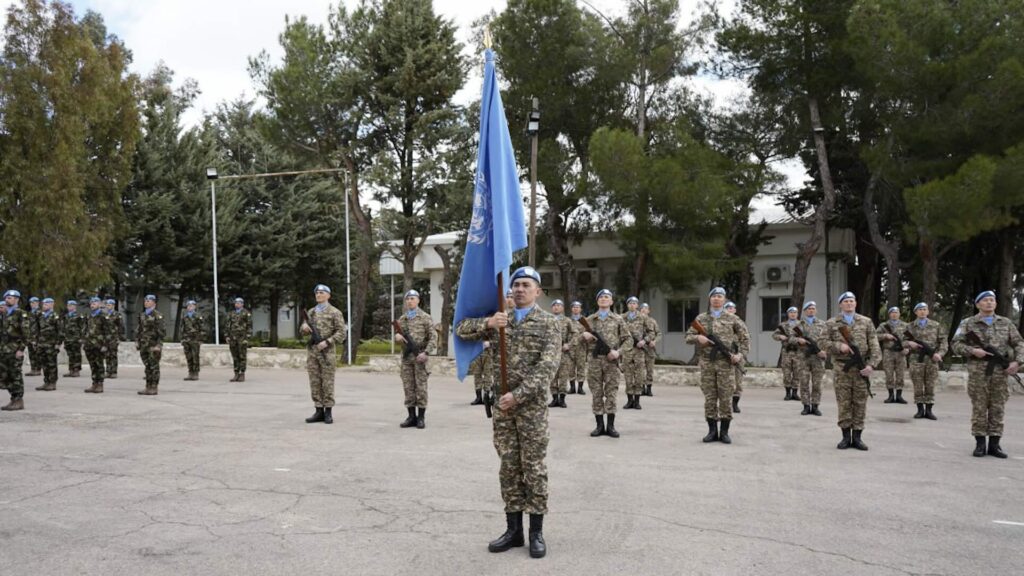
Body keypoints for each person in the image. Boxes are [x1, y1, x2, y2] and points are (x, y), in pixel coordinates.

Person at [455, 266, 560, 559]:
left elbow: (547, 368)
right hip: (503, 408)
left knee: (534, 467)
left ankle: (535, 532)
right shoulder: (501, 319)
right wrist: (489, 322)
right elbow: (460, 329)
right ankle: (513, 530)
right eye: (516, 285)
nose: (520, 289)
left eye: (527, 285)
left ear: (538, 291)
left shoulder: (550, 323)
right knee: (509, 467)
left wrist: (518, 395)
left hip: (531, 409)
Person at [951, 291, 1023, 458]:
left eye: (992, 300)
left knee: (998, 408)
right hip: (978, 373)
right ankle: (980, 444)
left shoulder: (1006, 323)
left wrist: (1017, 362)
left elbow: (1019, 343)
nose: (989, 303)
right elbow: (955, 344)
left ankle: (995, 445)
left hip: (1000, 372)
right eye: (985, 300)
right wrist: (972, 350)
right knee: (979, 408)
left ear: (996, 304)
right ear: (978, 304)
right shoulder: (968, 323)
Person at [686, 287, 749, 444]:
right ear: (709, 299)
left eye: (719, 296)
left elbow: (745, 338)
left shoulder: (733, 318)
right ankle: (712, 431)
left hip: (726, 364)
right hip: (707, 363)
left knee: (726, 397)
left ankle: (725, 432)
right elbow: (688, 336)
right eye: (714, 296)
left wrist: (739, 355)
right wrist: (698, 338)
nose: (716, 299)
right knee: (710, 397)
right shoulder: (701, 318)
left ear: (724, 299)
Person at [826, 292, 882, 451]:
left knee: (860, 404)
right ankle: (845, 437)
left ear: (855, 303)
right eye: (846, 301)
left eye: (852, 301)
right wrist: (839, 346)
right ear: (841, 305)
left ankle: (857, 438)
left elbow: (875, 346)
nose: (849, 304)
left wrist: (871, 365)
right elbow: (822, 342)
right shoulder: (832, 323)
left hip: (861, 369)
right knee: (844, 404)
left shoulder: (866, 322)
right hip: (841, 370)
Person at [581, 289, 631, 438]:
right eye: (601, 297)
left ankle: (610, 426)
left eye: (606, 297)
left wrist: (618, 352)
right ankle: (599, 426)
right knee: (596, 393)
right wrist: (584, 336)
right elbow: (577, 340)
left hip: (611, 361)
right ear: (597, 301)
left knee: (611, 393)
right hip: (595, 361)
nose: (603, 299)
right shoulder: (589, 320)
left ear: (611, 302)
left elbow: (628, 340)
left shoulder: (618, 320)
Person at [301, 285, 347, 425]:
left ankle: (328, 412)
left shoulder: (335, 312)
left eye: (321, 293)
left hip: (327, 353)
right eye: (317, 293)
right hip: (313, 352)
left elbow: (341, 332)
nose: (318, 295)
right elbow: (303, 333)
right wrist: (304, 328)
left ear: (328, 295)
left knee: (327, 382)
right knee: (314, 382)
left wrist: (327, 341)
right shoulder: (311, 312)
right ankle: (318, 410)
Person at [395, 290, 437, 429]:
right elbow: (398, 340)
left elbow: (433, 337)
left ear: (418, 300)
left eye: (412, 298)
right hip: (407, 358)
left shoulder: (425, 317)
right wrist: (397, 338)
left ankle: (421, 417)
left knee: (421, 388)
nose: (409, 301)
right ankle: (411, 416)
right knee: (408, 387)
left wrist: (426, 353)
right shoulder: (402, 319)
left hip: (420, 357)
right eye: (407, 299)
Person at [904, 302, 947, 421]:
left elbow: (943, 342)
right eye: (920, 309)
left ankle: (929, 410)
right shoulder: (910, 326)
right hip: (916, 359)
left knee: (930, 385)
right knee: (917, 384)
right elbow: (901, 342)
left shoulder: (936, 325)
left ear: (928, 311)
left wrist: (939, 354)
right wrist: (909, 343)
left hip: (931, 358)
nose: (922, 311)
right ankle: (919, 410)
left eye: (924, 309)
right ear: (916, 312)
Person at [1, 290, 31, 411]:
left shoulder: (20, 314)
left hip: (14, 350)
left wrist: (21, 349)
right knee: (5, 375)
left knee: (15, 375)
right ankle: (13, 399)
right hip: (3, 350)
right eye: (6, 298)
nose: (7, 299)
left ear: (17, 300)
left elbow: (26, 334)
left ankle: (18, 400)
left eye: (10, 298)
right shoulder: (3, 314)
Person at [797, 301, 828, 416]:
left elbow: (828, 340)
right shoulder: (799, 325)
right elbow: (790, 338)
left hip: (818, 358)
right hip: (803, 357)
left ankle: (815, 406)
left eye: (813, 308)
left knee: (817, 384)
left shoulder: (822, 324)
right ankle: (806, 406)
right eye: (809, 309)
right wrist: (797, 340)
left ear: (816, 311)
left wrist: (824, 352)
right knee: (804, 382)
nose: (811, 310)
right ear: (805, 311)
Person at [621, 296, 651, 410]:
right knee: (628, 376)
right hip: (627, 350)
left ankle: (637, 401)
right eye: (630, 303)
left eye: (634, 303)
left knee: (639, 376)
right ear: (627, 305)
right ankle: (629, 401)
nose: (632, 305)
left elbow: (651, 332)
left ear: (637, 305)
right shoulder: (622, 318)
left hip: (639, 350)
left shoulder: (643, 317)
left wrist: (644, 341)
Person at [547, 299, 577, 408]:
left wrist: (569, 344)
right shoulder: (547, 319)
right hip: (550, 352)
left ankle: (562, 399)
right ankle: (554, 398)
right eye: (554, 305)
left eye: (558, 305)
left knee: (563, 375)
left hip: (563, 352)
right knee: (552, 376)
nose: (556, 307)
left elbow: (575, 334)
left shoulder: (567, 321)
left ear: (562, 308)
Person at [876, 306, 909, 404]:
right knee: (889, 374)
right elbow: (875, 336)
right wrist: (885, 335)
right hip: (888, 352)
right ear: (889, 314)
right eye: (892, 312)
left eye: (896, 312)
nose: (894, 314)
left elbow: (911, 338)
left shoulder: (905, 325)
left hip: (901, 352)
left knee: (901, 374)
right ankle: (890, 395)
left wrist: (907, 348)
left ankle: (899, 396)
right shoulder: (883, 325)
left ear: (899, 314)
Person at [136, 294, 165, 395]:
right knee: (147, 366)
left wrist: (159, 345)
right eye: (145, 300)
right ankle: (148, 386)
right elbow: (139, 330)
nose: (146, 302)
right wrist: (137, 341)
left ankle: (154, 387)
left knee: (154, 366)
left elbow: (162, 332)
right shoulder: (142, 315)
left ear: (154, 303)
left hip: (153, 345)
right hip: (144, 345)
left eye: (149, 300)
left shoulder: (158, 315)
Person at [773, 306, 803, 402]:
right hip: (786, 351)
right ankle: (787, 393)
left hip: (798, 351)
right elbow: (774, 335)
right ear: (788, 314)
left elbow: (806, 335)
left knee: (797, 373)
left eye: (794, 312)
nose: (793, 314)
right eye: (791, 312)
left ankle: (795, 393)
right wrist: (780, 336)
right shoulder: (783, 325)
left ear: (797, 314)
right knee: (786, 373)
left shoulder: (802, 324)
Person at [33, 298, 63, 392]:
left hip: (51, 344)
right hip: (42, 344)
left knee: (51, 364)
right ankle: (46, 382)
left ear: (51, 305)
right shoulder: (41, 316)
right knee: (44, 364)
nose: (44, 306)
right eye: (43, 304)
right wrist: (36, 341)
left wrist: (58, 343)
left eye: (46, 304)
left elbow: (60, 331)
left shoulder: (55, 316)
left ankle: (52, 383)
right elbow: (37, 329)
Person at [83, 296, 111, 394]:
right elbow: (86, 329)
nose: (92, 305)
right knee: (93, 365)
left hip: (99, 345)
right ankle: (94, 383)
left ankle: (100, 384)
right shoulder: (90, 315)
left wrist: (105, 345)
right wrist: (84, 341)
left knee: (99, 365)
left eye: (94, 303)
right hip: (89, 344)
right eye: (91, 303)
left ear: (99, 304)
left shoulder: (104, 315)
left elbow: (108, 331)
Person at [723, 301, 744, 413]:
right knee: (724, 382)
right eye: (728, 308)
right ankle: (725, 404)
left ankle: (735, 404)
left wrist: (739, 355)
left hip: (738, 356)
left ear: (735, 310)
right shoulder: (721, 323)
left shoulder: (740, 323)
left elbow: (746, 340)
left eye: (732, 308)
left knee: (738, 382)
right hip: (723, 357)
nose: (730, 310)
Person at [226, 297, 252, 382]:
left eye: (238, 303)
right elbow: (228, 325)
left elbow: (249, 326)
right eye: (236, 303)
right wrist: (227, 336)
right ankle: (236, 373)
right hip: (233, 338)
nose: (236, 304)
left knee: (242, 356)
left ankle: (242, 373)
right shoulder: (231, 313)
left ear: (242, 304)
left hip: (242, 338)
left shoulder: (246, 313)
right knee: (235, 357)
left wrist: (247, 337)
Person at [180, 300, 205, 381]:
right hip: (186, 339)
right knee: (189, 357)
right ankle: (190, 373)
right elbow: (182, 328)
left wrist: (200, 339)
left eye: (191, 306)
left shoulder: (198, 316)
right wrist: (182, 339)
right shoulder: (185, 316)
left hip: (195, 340)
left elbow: (202, 328)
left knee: (195, 356)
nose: (189, 307)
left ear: (194, 307)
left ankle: (196, 373)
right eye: (188, 306)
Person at [639, 303, 660, 397]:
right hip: (640, 349)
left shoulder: (653, 321)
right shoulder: (637, 321)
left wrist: (655, 341)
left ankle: (649, 388)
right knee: (640, 369)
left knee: (649, 369)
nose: (644, 310)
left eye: (646, 308)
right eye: (642, 308)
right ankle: (642, 388)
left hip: (650, 349)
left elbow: (659, 334)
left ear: (649, 311)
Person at [568, 301, 587, 396]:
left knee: (581, 367)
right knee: (570, 368)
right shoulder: (568, 320)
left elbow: (589, 333)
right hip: (570, 348)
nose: (576, 308)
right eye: (574, 307)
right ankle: (572, 387)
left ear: (580, 309)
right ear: (571, 309)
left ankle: (580, 387)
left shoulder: (585, 321)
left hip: (581, 347)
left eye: (578, 307)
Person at [62, 300, 85, 378]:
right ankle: (71, 370)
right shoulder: (66, 316)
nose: (69, 307)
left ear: (75, 306)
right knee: (70, 355)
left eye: (71, 305)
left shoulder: (79, 315)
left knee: (76, 354)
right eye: (68, 305)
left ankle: (76, 370)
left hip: (76, 338)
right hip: (68, 338)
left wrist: (81, 338)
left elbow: (82, 327)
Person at [104, 298, 124, 379]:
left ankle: (114, 372)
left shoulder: (117, 315)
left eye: (109, 305)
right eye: (107, 305)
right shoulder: (105, 315)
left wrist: (119, 337)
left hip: (113, 338)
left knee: (113, 355)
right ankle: (108, 371)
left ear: (113, 306)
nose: (108, 306)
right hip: (106, 338)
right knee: (107, 355)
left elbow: (121, 327)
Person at [26, 296, 41, 377]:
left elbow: (41, 326)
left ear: (38, 303)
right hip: (30, 336)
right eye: (31, 303)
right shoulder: (30, 313)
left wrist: (38, 337)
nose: (32, 304)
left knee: (37, 353)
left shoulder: (39, 313)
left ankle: (38, 369)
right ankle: (33, 369)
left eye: (34, 302)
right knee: (31, 353)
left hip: (37, 337)